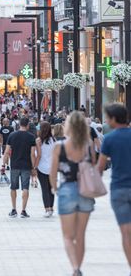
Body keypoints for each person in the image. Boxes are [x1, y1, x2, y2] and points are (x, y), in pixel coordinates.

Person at [50, 111, 96, 276]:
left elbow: (53, 173)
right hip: (85, 190)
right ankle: (78, 267)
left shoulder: (59, 146)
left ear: (68, 126)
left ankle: (75, 268)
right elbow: (93, 166)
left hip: (67, 189)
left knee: (68, 236)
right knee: (81, 235)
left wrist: (54, 188)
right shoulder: (89, 144)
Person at [98, 104, 131, 272]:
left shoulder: (109, 139)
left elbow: (100, 167)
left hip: (119, 188)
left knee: (126, 232)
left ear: (113, 119)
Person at [2, 117, 36, 218]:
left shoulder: (12, 135)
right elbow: (32, 154)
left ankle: (13, 209)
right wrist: (33, 167)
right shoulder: (31, 137)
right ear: (28, 125)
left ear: (19, 124)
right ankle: (23, 211)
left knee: (13, 187)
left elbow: (7, 152)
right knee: (25, 188)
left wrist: (3, 165)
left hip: (14, 165)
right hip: (26, 165)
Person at [35, 121, 55, 217]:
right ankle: (51, 207)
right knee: (51, 188)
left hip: (42, 167)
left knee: (44, 189)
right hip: (52, 168)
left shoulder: (39, 141)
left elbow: (38, 155)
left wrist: (34, 166)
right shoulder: (54, 140)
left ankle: (47, 208)